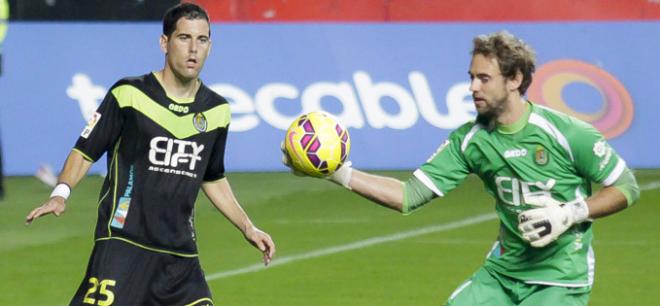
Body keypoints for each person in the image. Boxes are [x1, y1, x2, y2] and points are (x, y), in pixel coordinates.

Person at [283, 31, 639, 305]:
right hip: (503, 273)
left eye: (484, 78)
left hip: (560, 277)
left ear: (515, 79)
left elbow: (626, 187)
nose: (472, 87)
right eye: (471, 77)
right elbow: (408, 196)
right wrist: (338, 172)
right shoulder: (470, 141)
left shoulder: (565, 133)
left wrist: (570, 213)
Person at [25, 3, 275, 305]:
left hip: (180, 257)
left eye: (202, 39)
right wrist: (60, 193)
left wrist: (247, 227)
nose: (193, 49)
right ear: (164, 43)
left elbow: (212, 177)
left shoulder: (217, 110)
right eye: (184, 38)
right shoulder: (129, 94)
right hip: (123, 245)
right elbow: (84, 151)